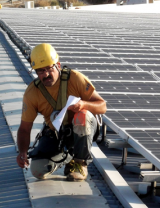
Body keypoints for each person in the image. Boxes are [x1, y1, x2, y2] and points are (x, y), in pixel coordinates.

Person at [16, 43, 107, 181]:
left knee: (82, 115)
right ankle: (68, 157)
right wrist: (22, 152)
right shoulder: (32, 93)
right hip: (58, 135)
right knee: (37, 171)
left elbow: (102, 106)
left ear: (57, 65)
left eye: (48, 68)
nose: (45, 74)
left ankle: (80, 163)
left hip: (82, 128)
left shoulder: (75, 79)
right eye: (40, 71)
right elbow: (24, 128)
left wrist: (83, 104)